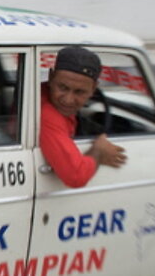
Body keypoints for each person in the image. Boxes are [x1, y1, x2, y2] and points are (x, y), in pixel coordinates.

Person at [40, 46, 127, 188]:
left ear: (94, 88)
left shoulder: (41, 94)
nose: (68, 100)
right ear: (50, 77)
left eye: (79, 92)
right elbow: (76, 177)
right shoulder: (47, 115)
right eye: (62, 87)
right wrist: (98, 151)